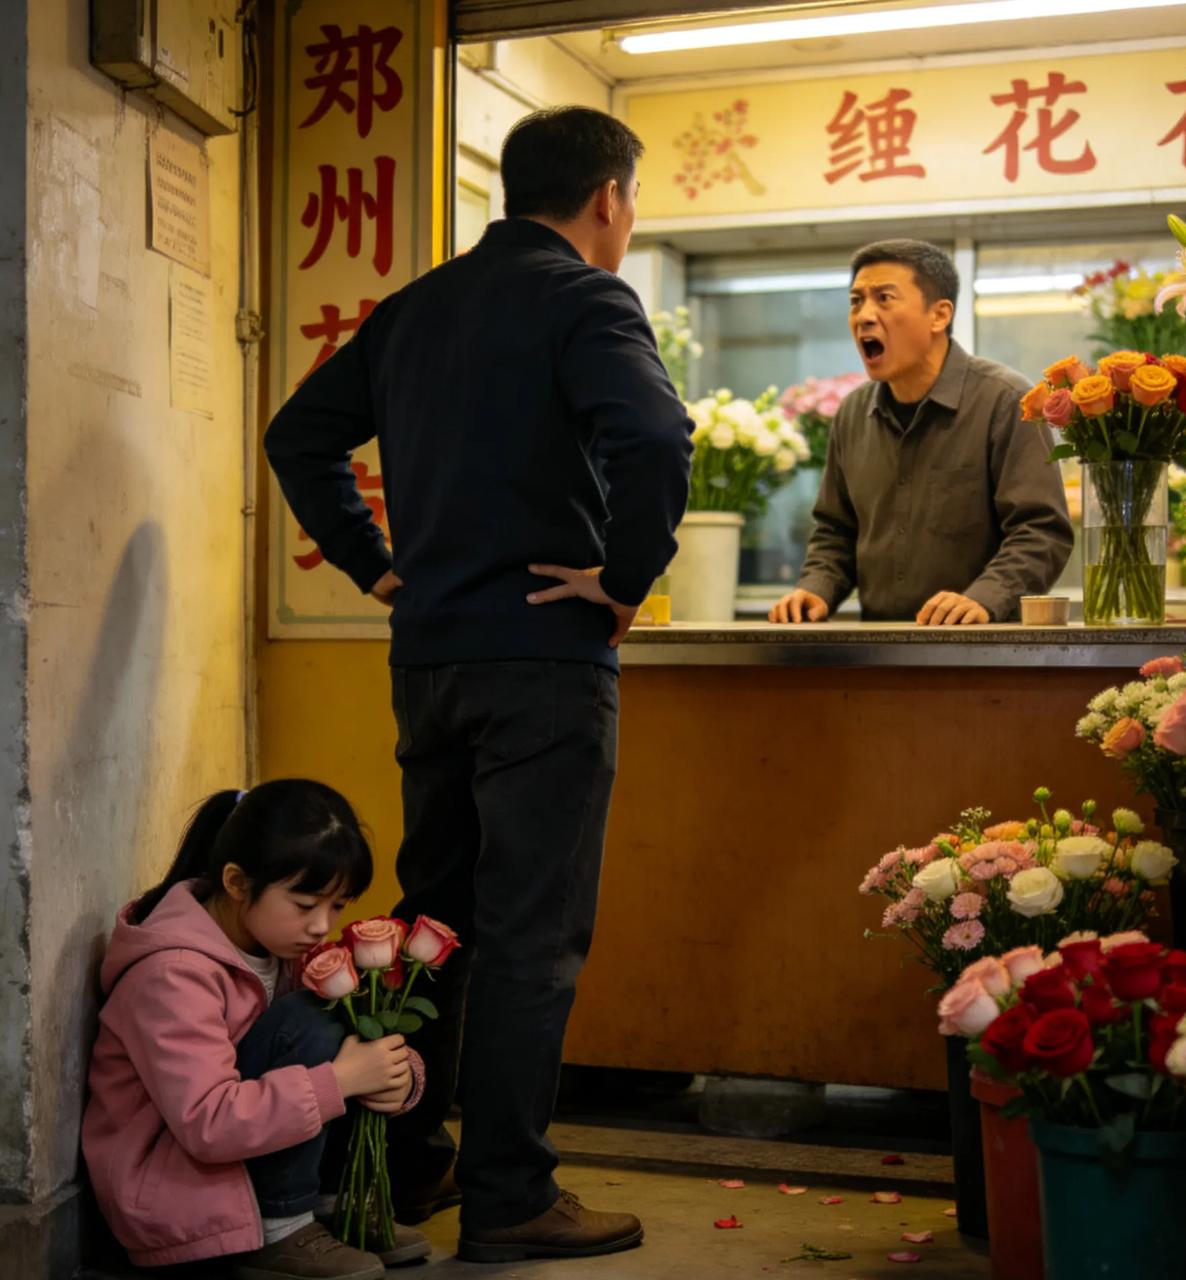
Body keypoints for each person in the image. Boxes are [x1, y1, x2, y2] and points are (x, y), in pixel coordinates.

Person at [264, 105, 692, 1262]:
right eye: (630, 199)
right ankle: (510, 1191)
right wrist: (625, 579)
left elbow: (297, 435)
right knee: (528, 931)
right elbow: (656, 438)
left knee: (435, 919)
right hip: (542, 665)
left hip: (430, 663)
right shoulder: (586, 297)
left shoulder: (416, 308)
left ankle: (410, 1165)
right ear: (609, 198)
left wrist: (374, 564)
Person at [81, 779, 430, 1280]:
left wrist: (397, 1078)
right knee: (311, 1017)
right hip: (173, 1194)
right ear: (238, 883)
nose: (321, 926)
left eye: (338, 906)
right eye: (306, 905)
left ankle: (327, 1204)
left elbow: (347, 1051)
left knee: (343, 1008)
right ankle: (281, 1224)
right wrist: (344, 1080)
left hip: (231, 1166)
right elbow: (209, 1123)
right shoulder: (173, 974)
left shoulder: (280, 944)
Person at [770, 239, 1072, 626]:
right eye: (856, 300)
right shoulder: (852, 413)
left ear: (939, 315)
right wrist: (815, 587)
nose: (864, 315)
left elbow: (1041, 532)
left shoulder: (1005, 399)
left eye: (884, 298)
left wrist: (984, 597)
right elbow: (836, 531)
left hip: (986, 651)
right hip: (880, 656)